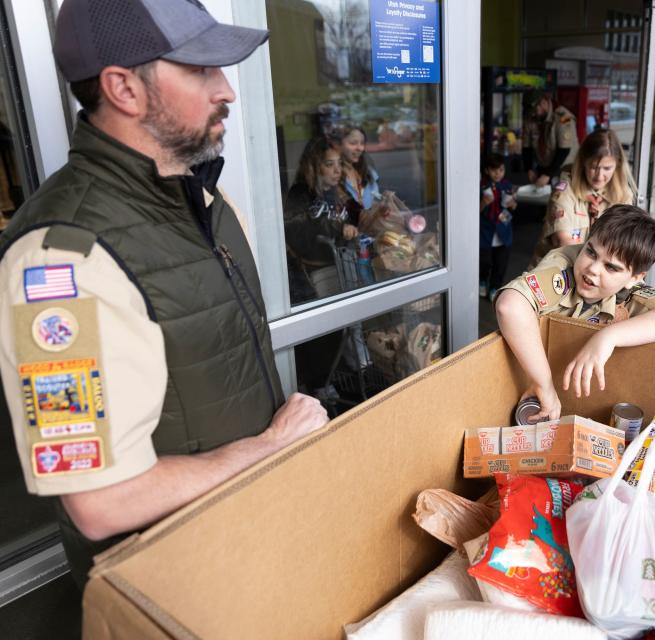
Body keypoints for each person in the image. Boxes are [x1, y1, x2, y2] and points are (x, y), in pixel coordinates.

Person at [0, 0, 328, 587]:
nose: (226, 89)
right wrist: (271, 447)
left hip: (247, 541)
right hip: (172, 580)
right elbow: (99, 502)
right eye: (201, 70)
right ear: (124, 88)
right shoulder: (58, 259)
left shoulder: (204, 201)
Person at [496, 205, 655, 421]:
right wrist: (543, 384)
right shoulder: (562, 266)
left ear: (635, 278)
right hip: (523, 380)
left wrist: (608, 337)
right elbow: (510, 307)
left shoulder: (628, 289)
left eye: (611, 267)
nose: (593, 269)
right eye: (591, 252)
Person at [530, 128, 636, 266]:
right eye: (593, 167)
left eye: (607, 168)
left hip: (596, 274)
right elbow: (564, 243)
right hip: (556, 272)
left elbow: (623, 242)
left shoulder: (623, 194)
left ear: (617, 165)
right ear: (583, 162)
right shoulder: (564, 191)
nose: (599, 176)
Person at [284, 136, 359, 302]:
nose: (337, 170)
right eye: (329, 164)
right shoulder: (300, 193)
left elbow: (352, 217)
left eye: (339, 163)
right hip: (315, 275)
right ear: (314, 167)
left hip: (342, 267)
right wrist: (338, 228)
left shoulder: (335, 191)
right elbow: (302, 225)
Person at [522, 90, 579, 188]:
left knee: (560, 199)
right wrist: (529, 169)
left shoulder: (563, 117)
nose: (533, 114)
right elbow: (527, 147)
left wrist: (548, 174)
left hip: (564, 169)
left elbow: (564, 150)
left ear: (543, 102)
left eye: (535, 110)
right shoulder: (531, 117)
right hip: (544, 166)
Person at [479, 155, 516, 299]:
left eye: (501, 170)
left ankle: (495, 286)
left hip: (503, 231)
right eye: (494, 170)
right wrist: (483, 202)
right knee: (484, 261)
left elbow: (513, 207)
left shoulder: (508, 186)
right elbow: (473, 211)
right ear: (487, 170)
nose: (498, 173)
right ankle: (482, 281)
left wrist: (512, 204)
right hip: (485, 231)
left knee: (500, 263)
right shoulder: (482, 186)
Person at [336, 124, 382, 210]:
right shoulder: (333, 176)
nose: (360, 148)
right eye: (353, 143)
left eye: (362, 143)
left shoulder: (369, 172)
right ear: (339, 145)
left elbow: (376, 201)